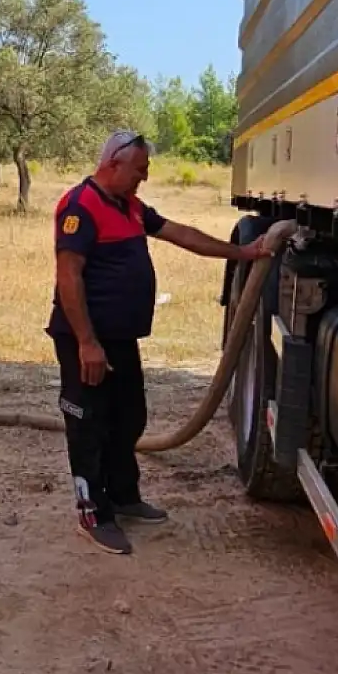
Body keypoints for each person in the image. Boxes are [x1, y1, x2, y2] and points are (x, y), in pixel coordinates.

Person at [48, 130, 272, 555]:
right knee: (88, 425)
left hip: (120, 339)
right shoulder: (80, 205)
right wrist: (87, 343)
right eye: (140, 169)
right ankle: (93, 514)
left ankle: (123, 496)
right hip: (88, 340)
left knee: (129, 418)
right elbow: (68, 276)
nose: (144, 177)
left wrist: (243, 253)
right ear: (113, 163)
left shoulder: (129, 206)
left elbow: (182, 234)